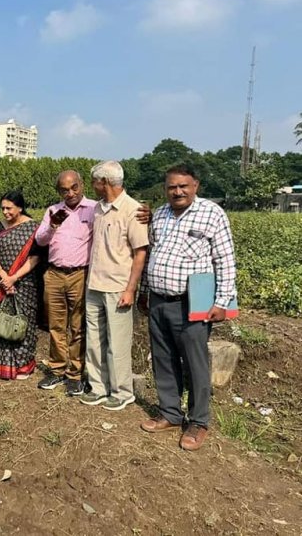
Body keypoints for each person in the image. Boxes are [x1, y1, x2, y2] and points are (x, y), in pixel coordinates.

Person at [138, 165, 236, 451]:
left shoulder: (212, 214)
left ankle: (198, 421)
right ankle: (169, 413)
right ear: (165, 189)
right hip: (159, 298)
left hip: (194, 302)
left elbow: (225, 261)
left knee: (195, 364)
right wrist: (145, 292)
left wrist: (221, 301)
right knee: (163, 358)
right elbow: (151, 254)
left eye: (183, 186)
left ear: (196, 186)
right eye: (171, 187)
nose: (177, 191)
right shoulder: (161, 214)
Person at [80, 161, 149, 411]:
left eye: (95, 182)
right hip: (95, 284)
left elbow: (140, 252)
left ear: (104, 182)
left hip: (118, 287)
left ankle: (122, 391)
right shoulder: (98, 209)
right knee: (94, 340)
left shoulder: (133, 210)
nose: (93, 186)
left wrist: (131, 289)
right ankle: (98, 387)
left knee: (118, 342)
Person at [35, 170, 97, 396]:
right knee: (55, 325)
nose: (70, 193)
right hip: (54, 274)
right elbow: (40, 240)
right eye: (64, 190)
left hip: (79, 274)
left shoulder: (93, 209)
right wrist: (52, 226)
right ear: (59, 191)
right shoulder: (53, 211)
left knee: (78, 327)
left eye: (74, 187)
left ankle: (75, 373)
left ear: (82, 186)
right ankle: (57, 369)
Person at [0, 191, 42, 380]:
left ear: (20, 207)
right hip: (2, 283)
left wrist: (14, 278)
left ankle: (23, 364)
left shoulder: (33, 227)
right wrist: (4, 277)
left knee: (23, 322)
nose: (5, 212)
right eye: (2, 208)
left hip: (25, 283)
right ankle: (3, 363)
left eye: (9, 208)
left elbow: (35, 258)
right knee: (3, 320)